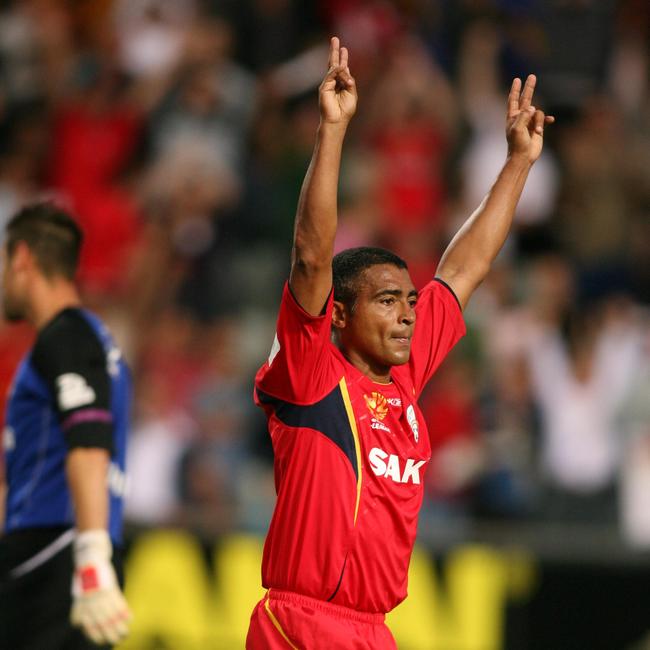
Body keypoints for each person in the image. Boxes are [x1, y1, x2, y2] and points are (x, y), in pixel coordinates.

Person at [246, 37, 553, 649]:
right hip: (301, 626)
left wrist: (518, 162)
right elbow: (311, 255)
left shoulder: (406, 375)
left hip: (374, 634)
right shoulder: (312, 372)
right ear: (337, 315)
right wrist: (333, 130)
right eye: (387, 301)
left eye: (410, 301)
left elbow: (463, 270)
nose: (409, 314)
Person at [0, 203, 132, 649]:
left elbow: (90, 444)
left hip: (51, 556)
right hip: (58, 551)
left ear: (21, 258)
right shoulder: (88, 339)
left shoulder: (67, 338)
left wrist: (91, 560)